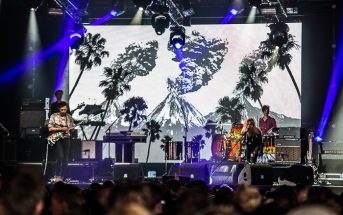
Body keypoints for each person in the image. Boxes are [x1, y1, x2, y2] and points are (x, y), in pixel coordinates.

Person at [48, 101, 74, 180]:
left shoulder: (69, 117)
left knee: (66, 159)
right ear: (59, 109)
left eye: (65, 109)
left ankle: (63, 176)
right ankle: (56, 175)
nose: (64, 111)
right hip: (58, 139)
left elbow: (72, 128)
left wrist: (70, 130)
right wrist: (61, 128)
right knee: (60, 157)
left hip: (67, 138)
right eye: (62, 109)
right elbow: (50, 128)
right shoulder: (54, 116)